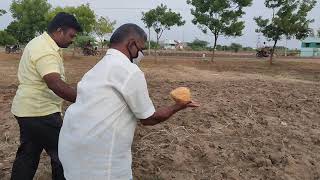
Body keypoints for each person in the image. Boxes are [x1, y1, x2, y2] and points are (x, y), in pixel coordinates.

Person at [58, 23, 199, 180]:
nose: (141, 54)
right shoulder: (129, 70)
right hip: (100, 162)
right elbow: (149, 118)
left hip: (71, 150)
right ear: (132, 44)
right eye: (141, 49)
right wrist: (178, 106)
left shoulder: (97, 68)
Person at [10, 12, 82, 180]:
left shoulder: (40, 43)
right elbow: (55, 84)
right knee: (64, 154)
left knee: (28, 154)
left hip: (27, 111)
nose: (73, 40)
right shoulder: (45, 50)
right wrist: (86, 100)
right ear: (59, 31)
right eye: (71, 35)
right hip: (40, 112)